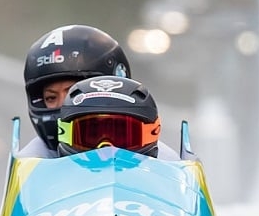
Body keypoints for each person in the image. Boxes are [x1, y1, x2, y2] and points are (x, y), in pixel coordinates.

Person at [18, 24, 178, 160]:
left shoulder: (167, 163)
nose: (62, 106)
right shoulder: (29, 163)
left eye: (73, 94)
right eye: (51, 97)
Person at [56, 75, 163, 158]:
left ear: (152, 132)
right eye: (93, 134)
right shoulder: (40, 161)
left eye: (121, 134)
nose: (105, 149)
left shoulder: (170, 163)